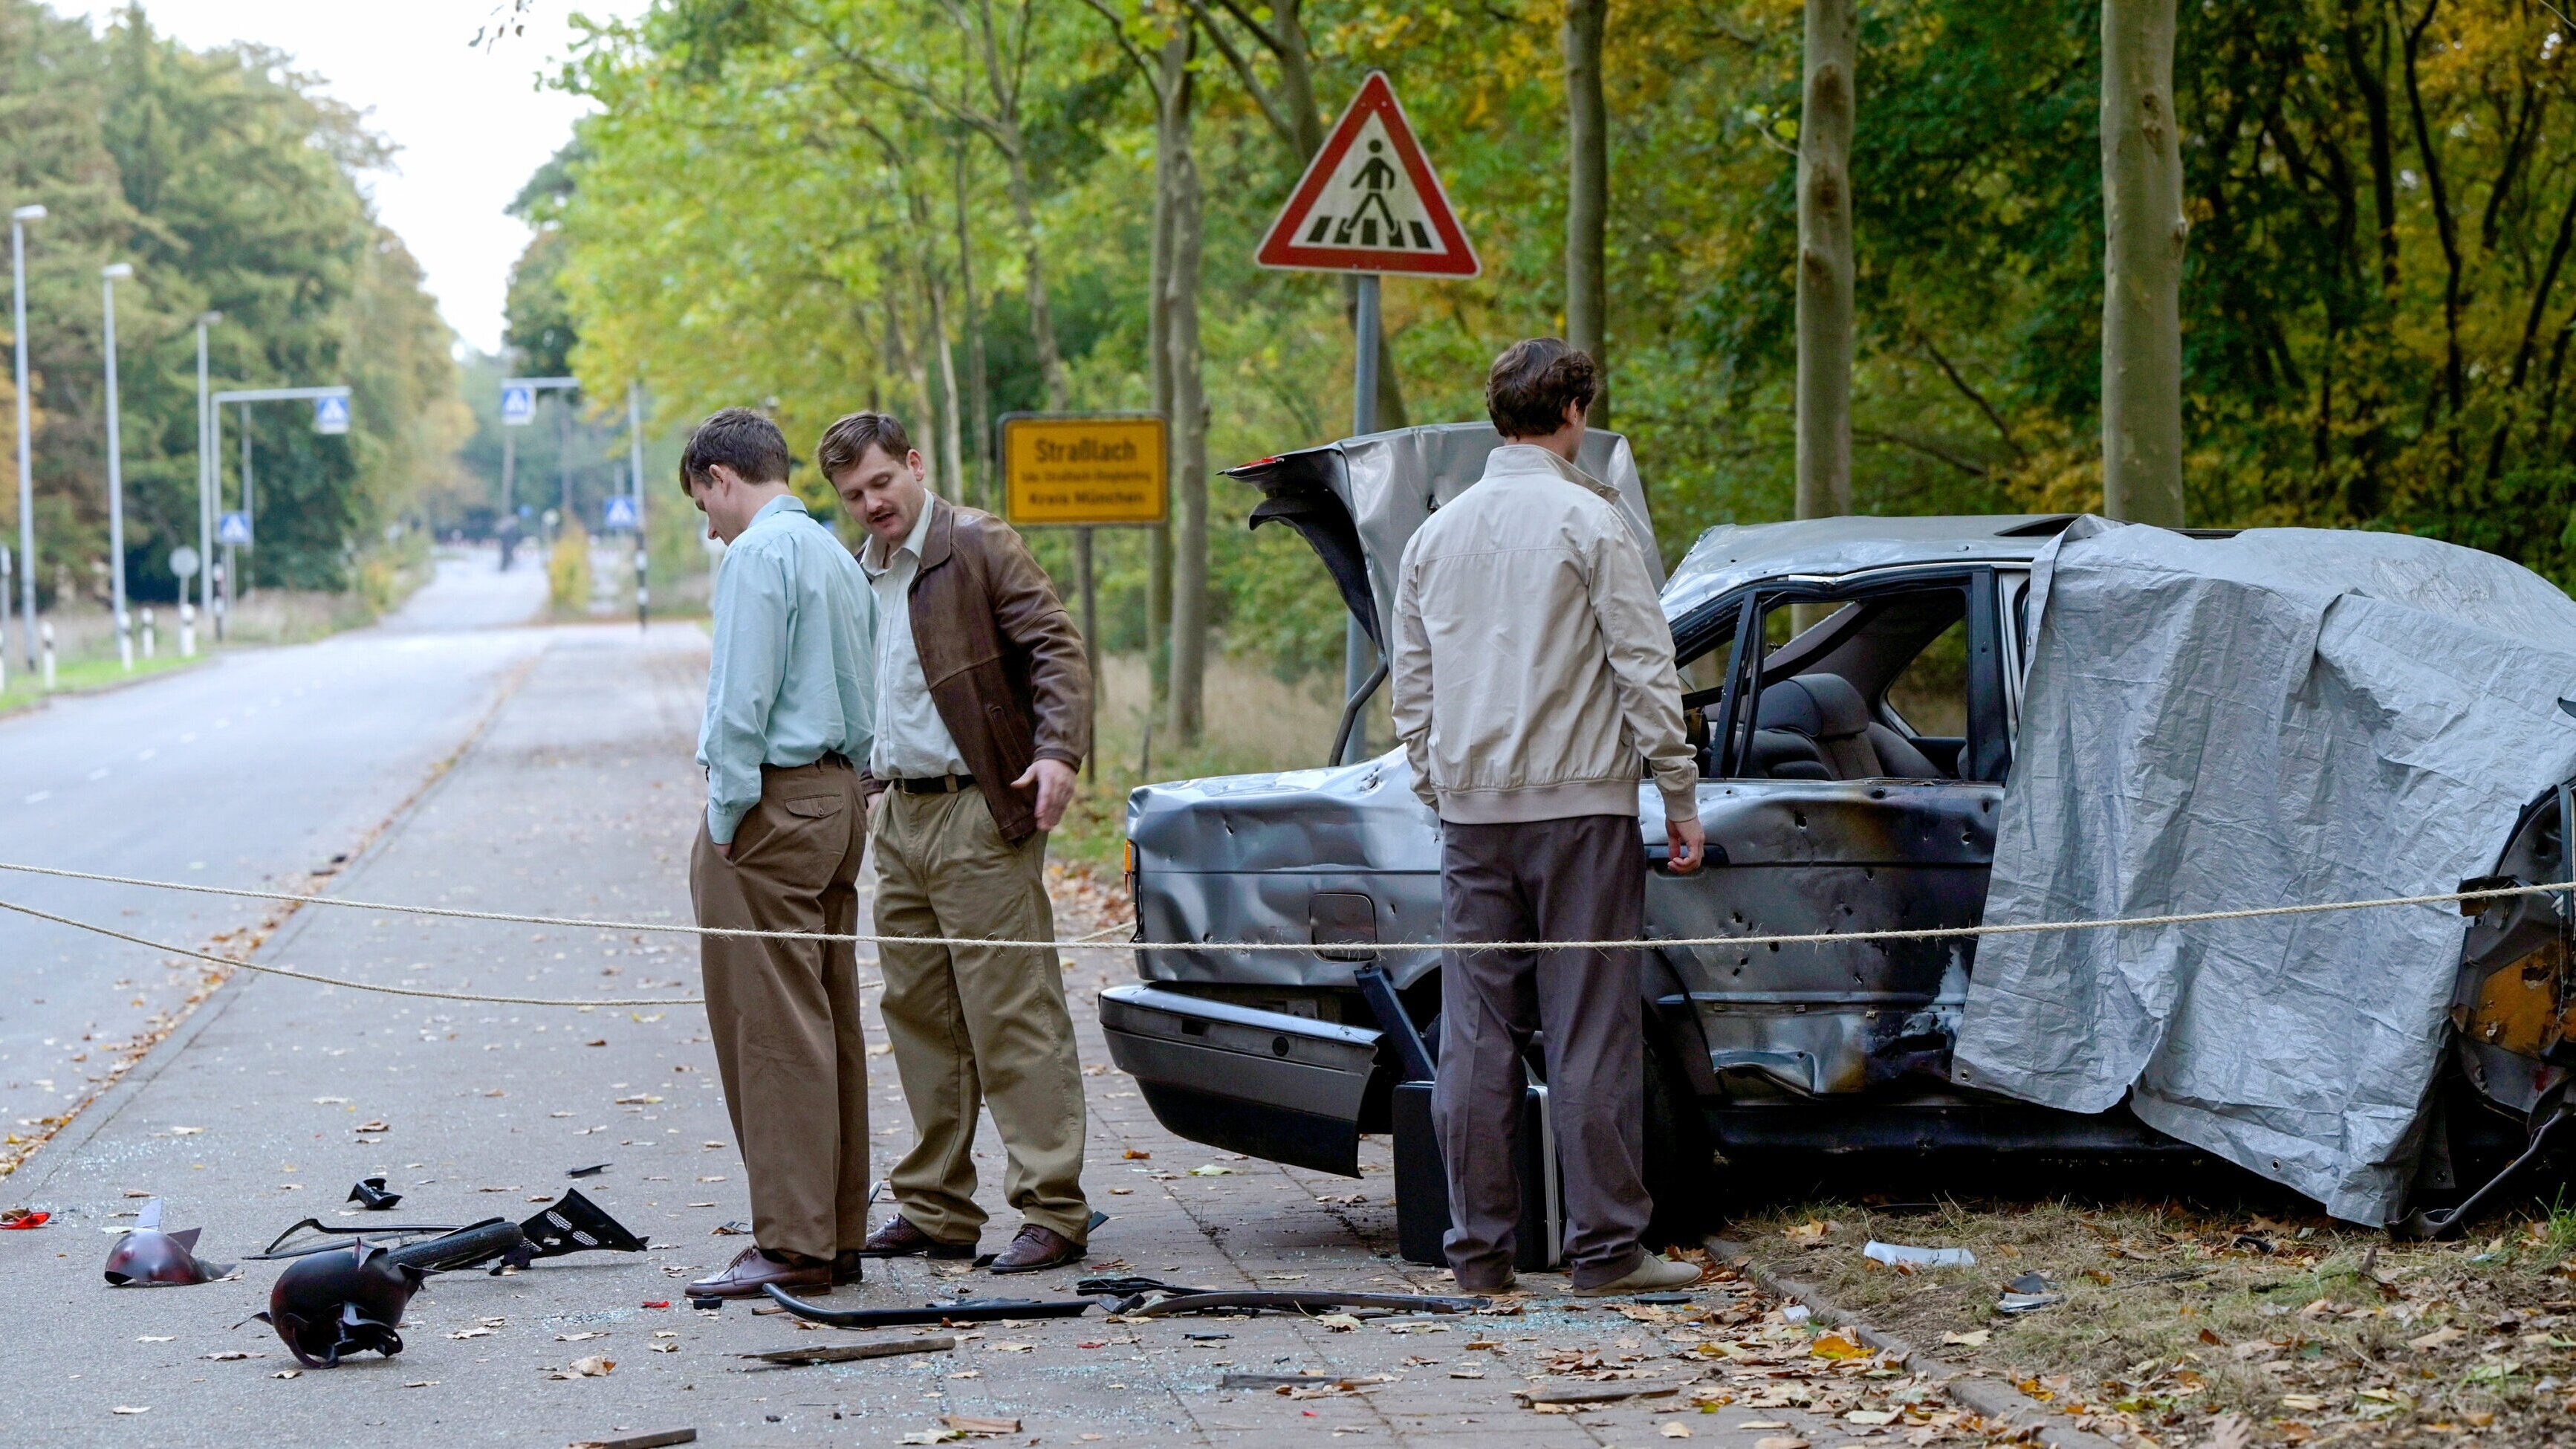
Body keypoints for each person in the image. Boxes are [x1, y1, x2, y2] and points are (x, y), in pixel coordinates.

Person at [1389, 339, 1707, 1297]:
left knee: (1476, 1035)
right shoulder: (1591, 521)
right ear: (1571, 411)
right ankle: (1606, 1252)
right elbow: (1645, 669)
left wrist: (1436, 784)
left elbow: (1412, 689)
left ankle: (1478, 1255)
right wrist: (1678, 792)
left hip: (1474, 820)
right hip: (1580, 815)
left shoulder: (1431, 536)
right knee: (1589, 1028)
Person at [820, 412, 1097, 1275]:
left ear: (913, 465)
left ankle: (1051, 1208)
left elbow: (1054, 647)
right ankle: (936, 1207)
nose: (871, 503)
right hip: (895, 813)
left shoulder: (977, 543)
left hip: (980, 806)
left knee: (1011, 1012)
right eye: (852, 494)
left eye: (880, 483)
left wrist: (1057, 752)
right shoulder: (856, 575)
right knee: (919, 1019)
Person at [676, 408, 878, 1300]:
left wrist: (725, 815)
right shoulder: (836, 554)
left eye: (701, 503)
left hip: (771, 804)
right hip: (838, 797)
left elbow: (739, 701)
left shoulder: (756, 555)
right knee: (826, 1018)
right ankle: (834, 1234)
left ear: (723, 476)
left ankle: (791, 1244)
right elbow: (864, 693)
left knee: (770, 1029)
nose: (706, 524)